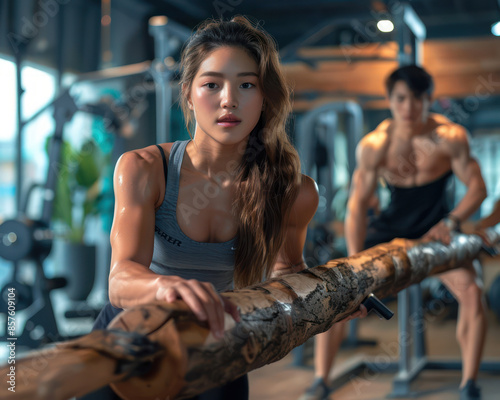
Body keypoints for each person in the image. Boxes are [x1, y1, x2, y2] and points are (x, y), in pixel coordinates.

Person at [80, 16, 323, 400]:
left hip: (212, 339)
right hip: (128, 333)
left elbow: (289, 271)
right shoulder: (144, 169)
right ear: (190, 94)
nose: (229, 100)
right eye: (212, 84)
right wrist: (167, 287)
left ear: (265, 98)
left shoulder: (292, 191)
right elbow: (120, 279)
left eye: (247, 84)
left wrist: (330, 299)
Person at [301, 65, 488, 400]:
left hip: (436, 232)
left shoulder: (451, 137)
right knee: (338, 294)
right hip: (389, 231)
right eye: (401, 98)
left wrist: (453, 222)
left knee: (473, 292)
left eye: (418, 98)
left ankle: (469, 384)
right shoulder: (376, 145)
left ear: (429, 98)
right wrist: (356, 262)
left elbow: (478, 188)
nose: (409, 107)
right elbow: (357, 206)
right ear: (389, 99)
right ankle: (320, 380)